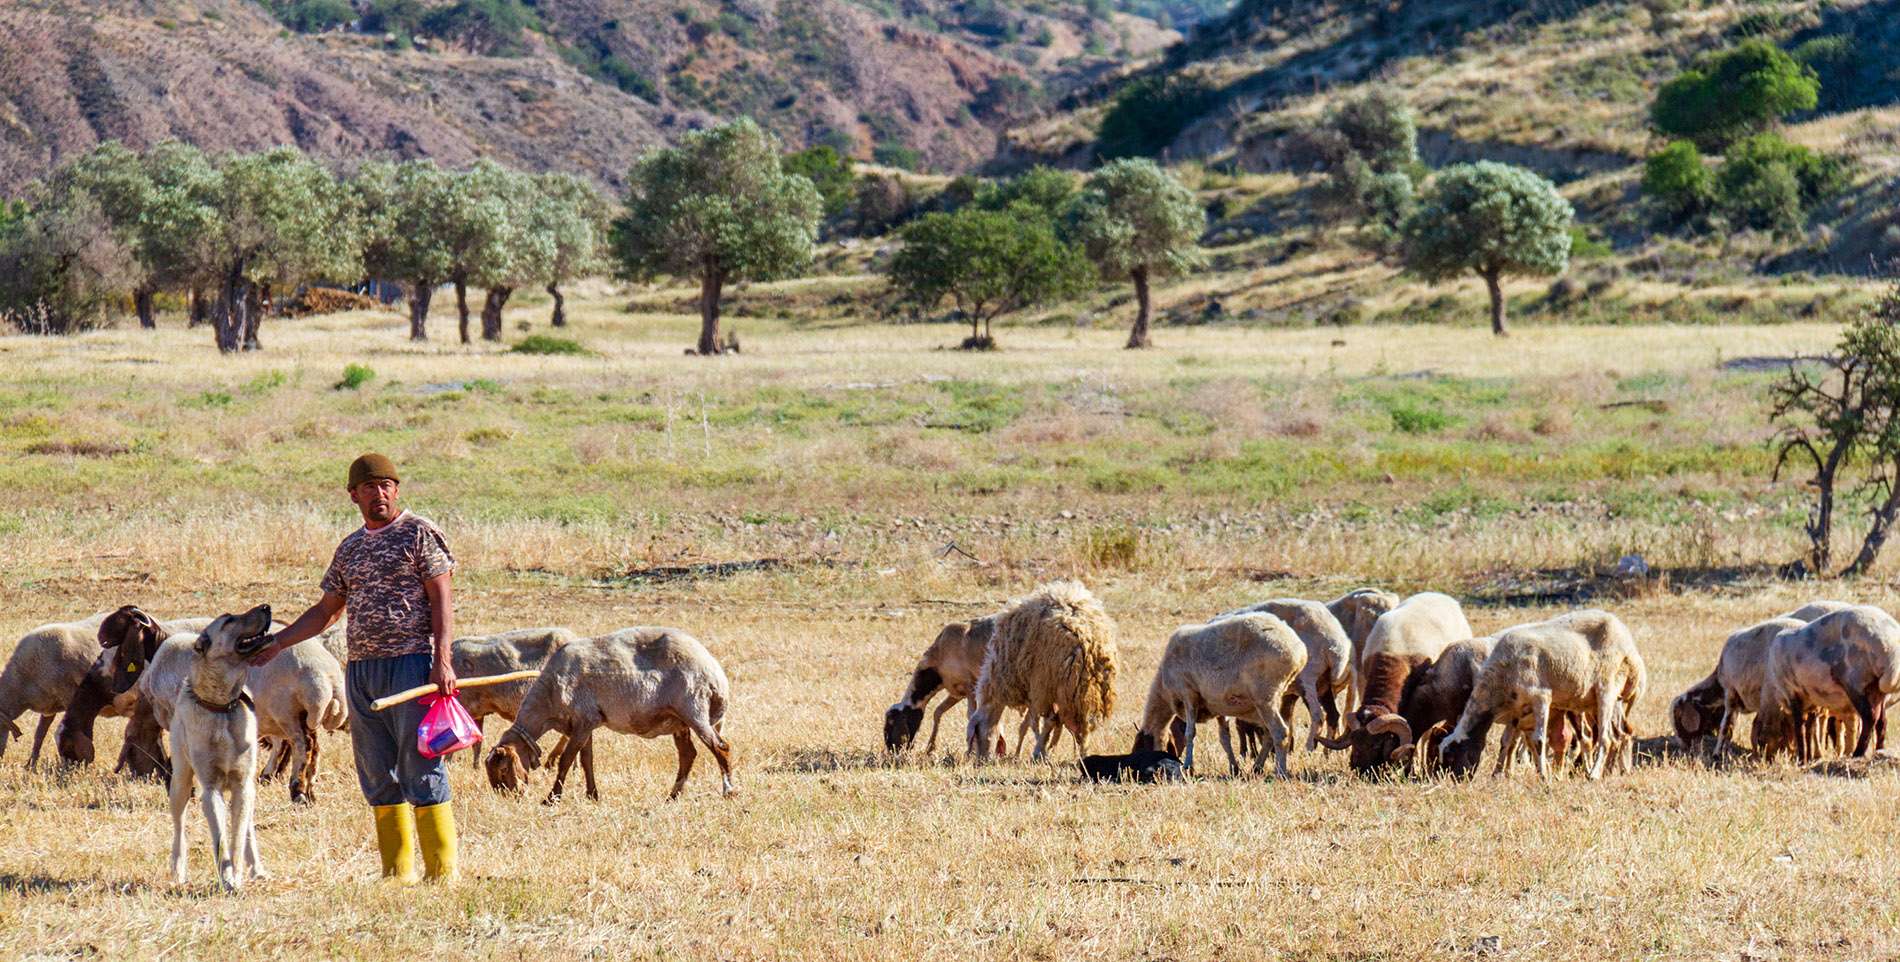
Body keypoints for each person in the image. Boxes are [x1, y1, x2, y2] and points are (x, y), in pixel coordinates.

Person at [250, 452, 460, 883]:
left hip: (413, 667)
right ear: (353, 496)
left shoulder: (420, 534)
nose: (378, 494)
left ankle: (442, 875)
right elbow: (327, 611)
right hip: (361, 671)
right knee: (376, 769)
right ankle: (397, 874)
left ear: (396, 490)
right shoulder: (351, 548)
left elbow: (441, 600)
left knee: (421, 765)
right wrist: (277, 643)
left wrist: (442, 661)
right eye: (369, 487)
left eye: (386, 485)